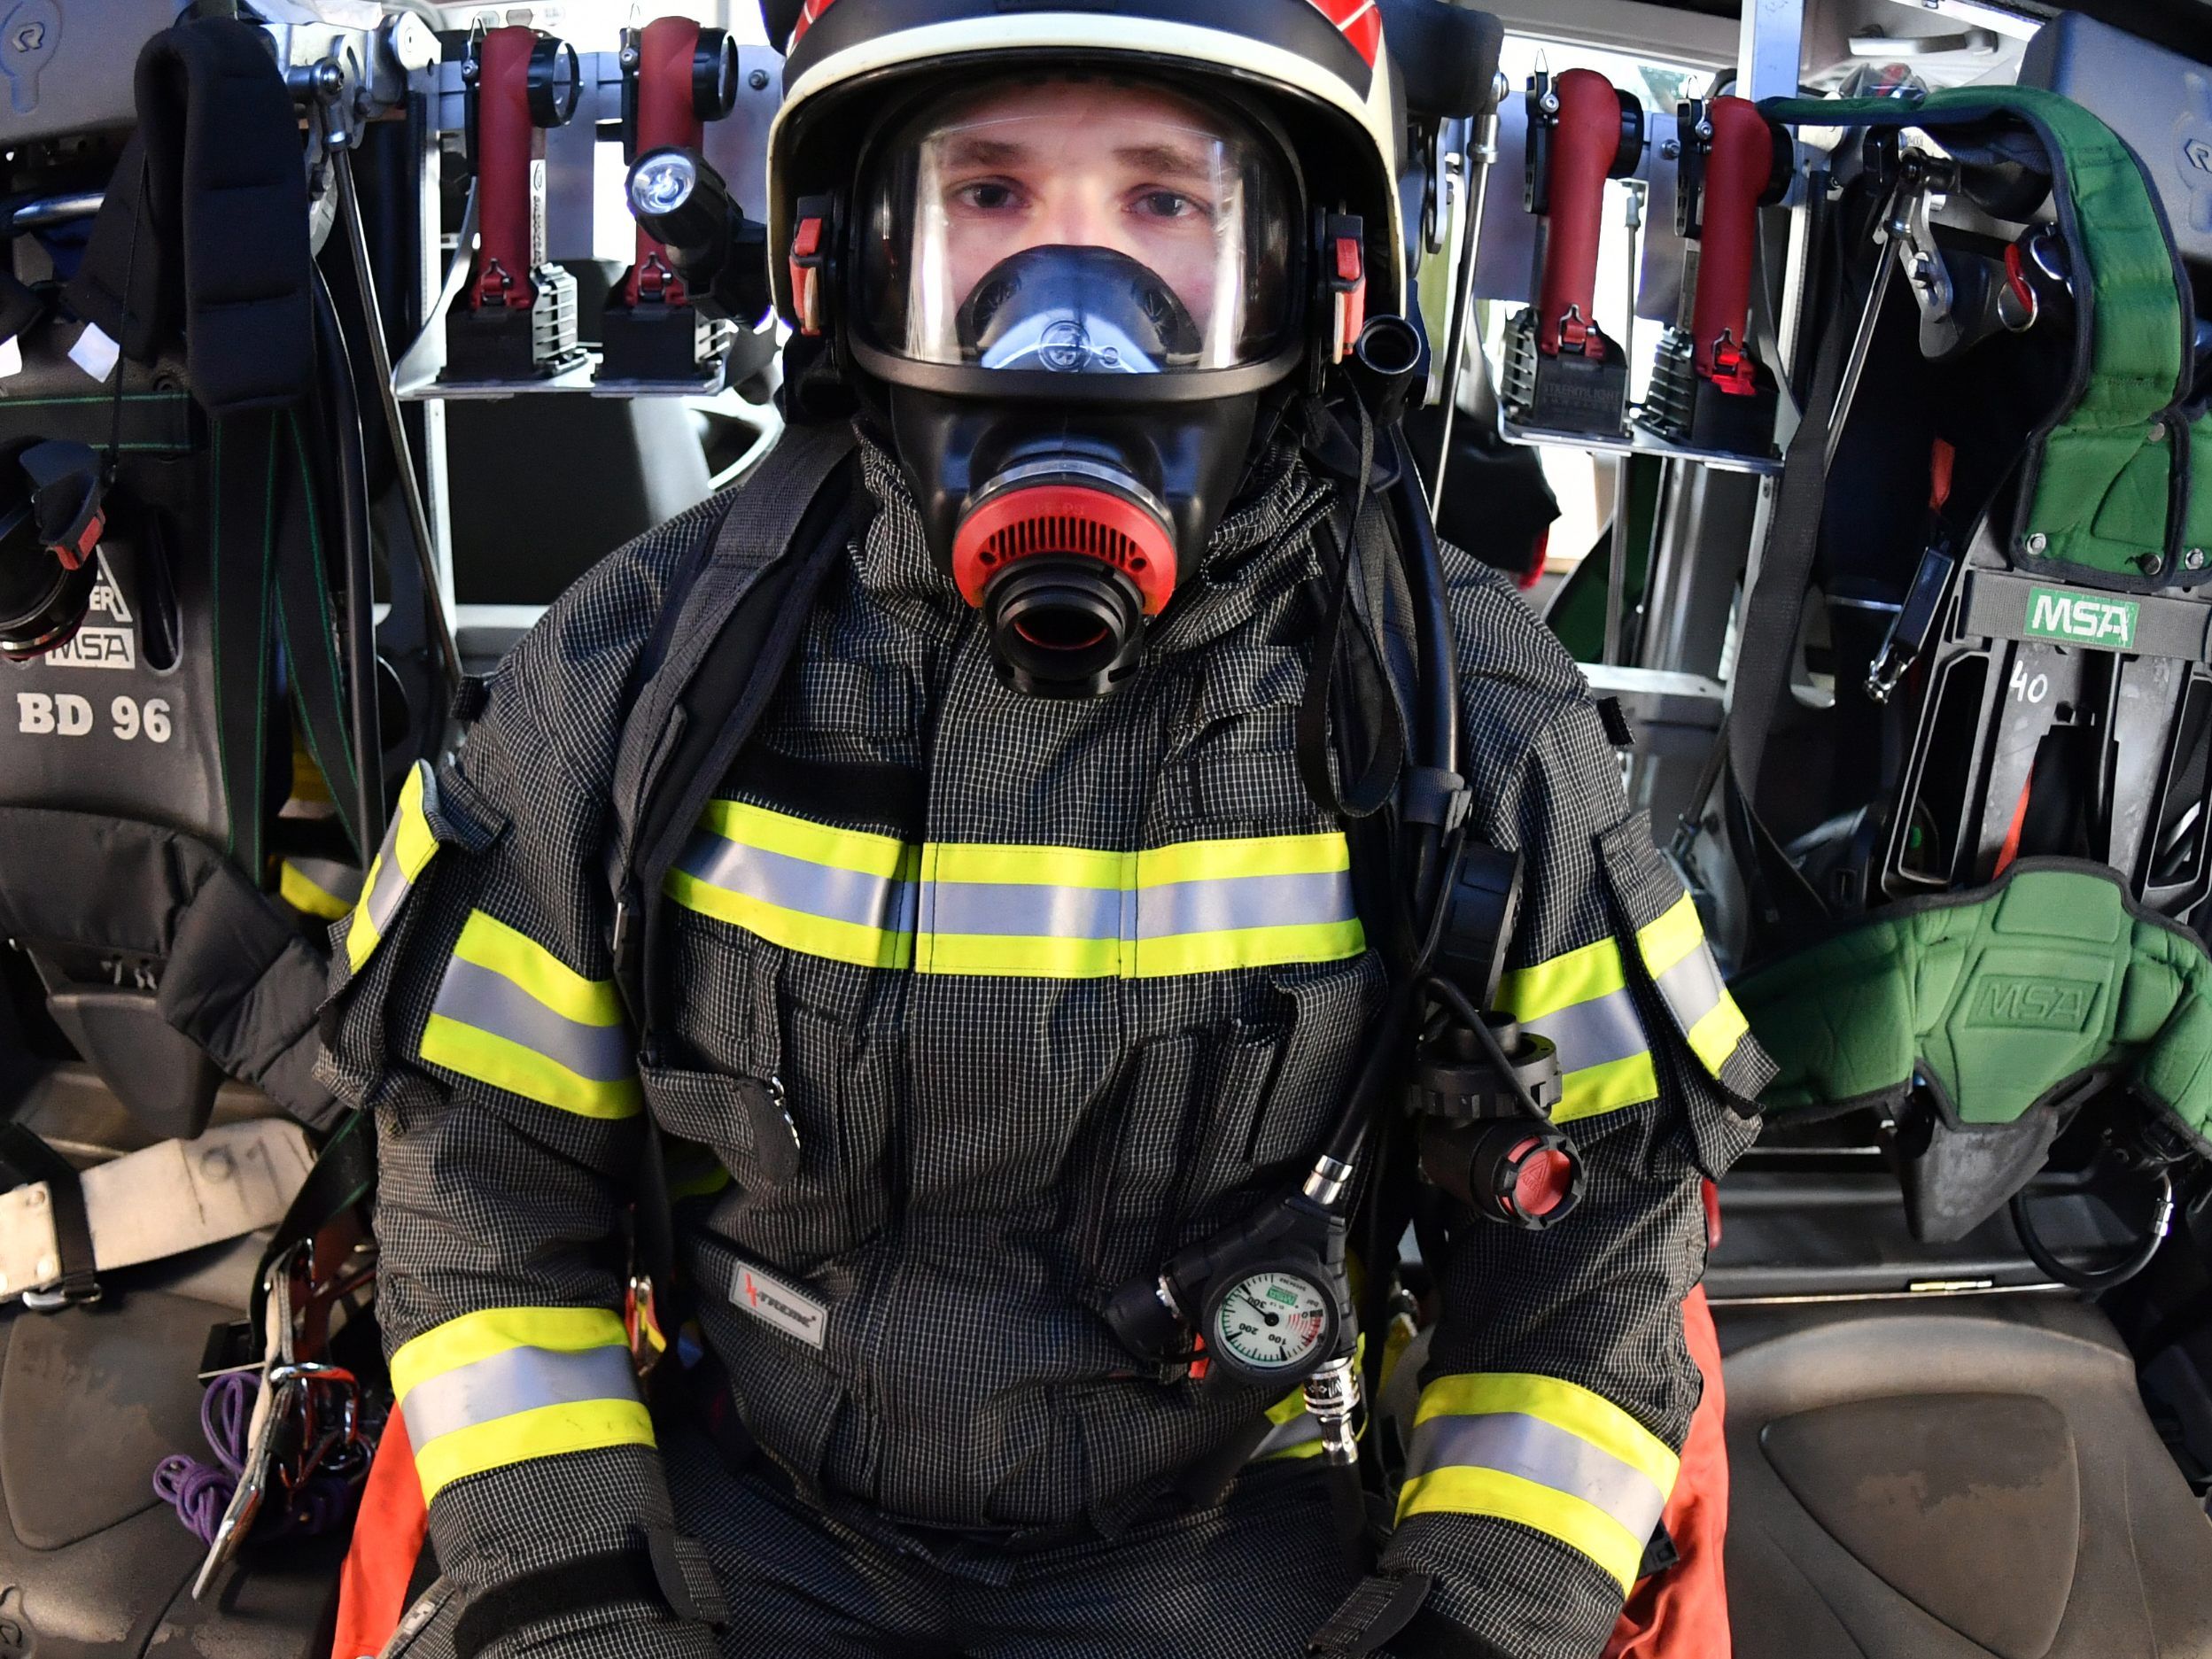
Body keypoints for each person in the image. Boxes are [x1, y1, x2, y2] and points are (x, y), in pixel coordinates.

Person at [319, 1, 1766, 1654]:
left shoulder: (1464, 716)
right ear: (840, 269)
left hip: (1227, 1541)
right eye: (989, 200)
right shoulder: (634, 676)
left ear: (1321, 283)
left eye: (1164, 205)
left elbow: (1591, 1254)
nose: (1066, 325)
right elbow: (482, 1177)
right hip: (748, 1522)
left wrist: (1470, 1627)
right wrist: (576, 1603)